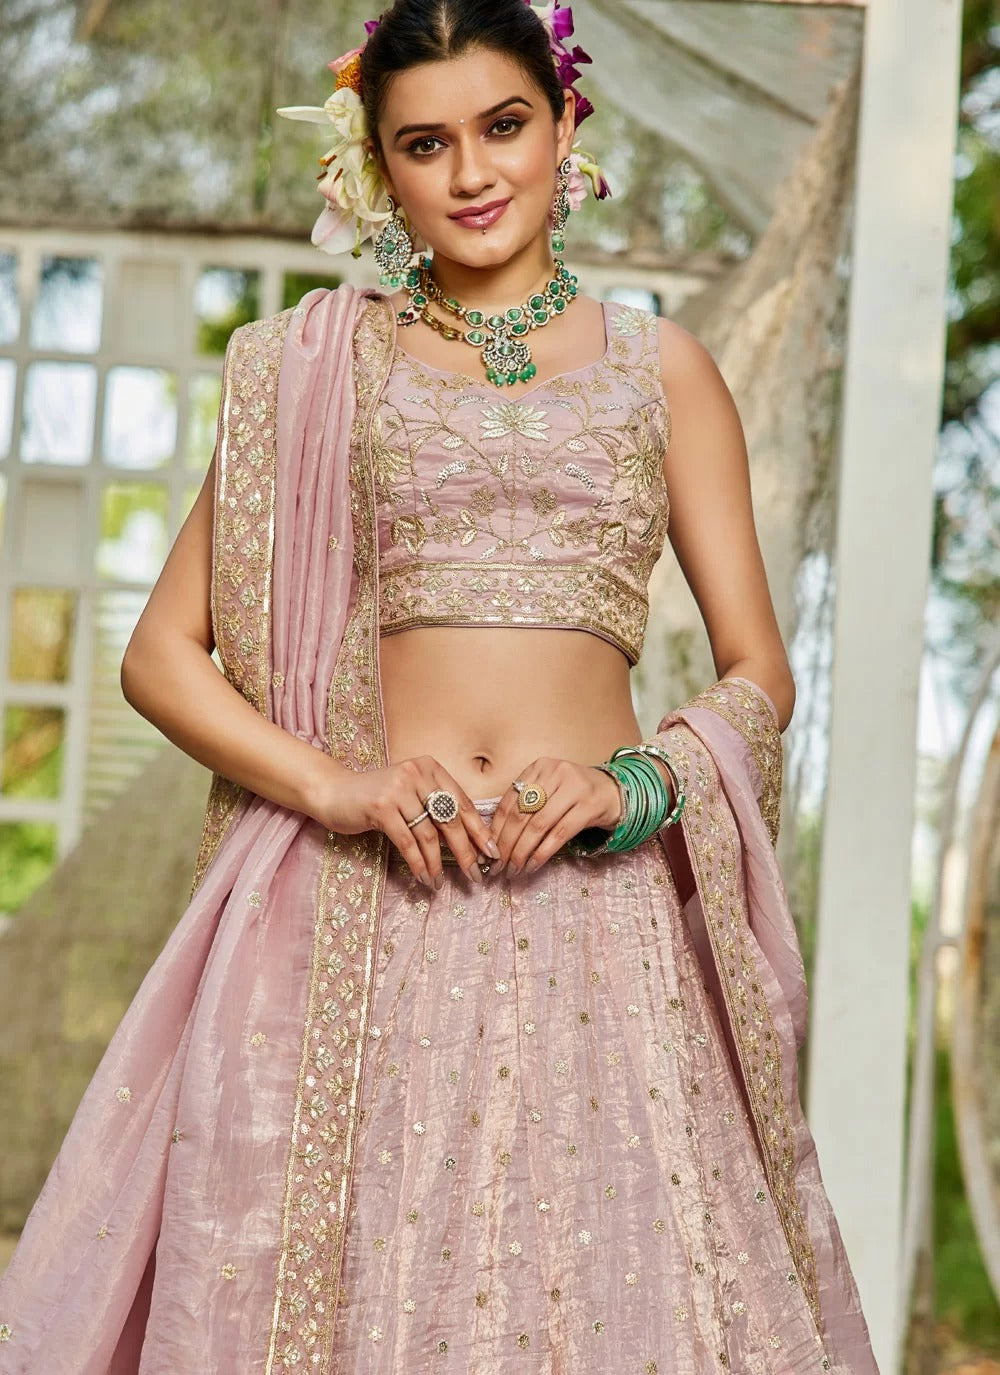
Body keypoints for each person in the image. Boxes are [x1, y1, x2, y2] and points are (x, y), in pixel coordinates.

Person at [0, 1, 881, 1371]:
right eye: (427, 143)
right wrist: (337, 787)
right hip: (368, 904)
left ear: (565, 126)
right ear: (380, 167)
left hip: (604, 923)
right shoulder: (317, 371)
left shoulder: (667, 372)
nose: (473, 172)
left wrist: (638, 783)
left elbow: (757, 669)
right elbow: (160, 654)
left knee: (603, 1294)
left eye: (503, 126)